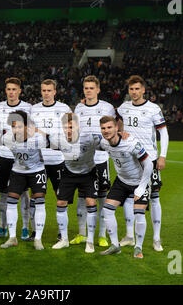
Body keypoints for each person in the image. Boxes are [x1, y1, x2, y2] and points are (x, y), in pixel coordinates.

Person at [116, 75, 169, 251]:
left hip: (150, 159)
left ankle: (156, 238)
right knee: (130, 197)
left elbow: (164, 133)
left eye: (137, 89)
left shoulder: (154, 109)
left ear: (143, 90)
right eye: (131, 89)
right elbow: (115, 121)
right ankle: (130, 236)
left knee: (154, 198)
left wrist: (162, 156)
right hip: (130, 160)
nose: (134, 92)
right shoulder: (123, 107)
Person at [98, 116, 153, 258]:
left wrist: (141, 188)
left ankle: (138, 248)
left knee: (139, 213)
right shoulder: (104, 142)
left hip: (140, 181)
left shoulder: (131, 143)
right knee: (107, 211)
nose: (106, 131)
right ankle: (115, 245)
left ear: (117, 128)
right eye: (103, 128)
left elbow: (149, 164)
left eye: (109, 127)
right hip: (122, 181)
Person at [49, 113, 102, 254]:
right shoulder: (57, 138)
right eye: (66, 127)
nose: (68, 129)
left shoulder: (90, 137)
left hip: (88, 173)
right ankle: (64, 240)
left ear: (78, 126)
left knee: (91, 202)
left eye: (71, 126)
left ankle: (90, 242)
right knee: (60, 203)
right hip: (69, 172)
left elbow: (108, 141)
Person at [73, 75, 116, 247]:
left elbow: (113, 130)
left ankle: (102, 235)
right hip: (83, 161)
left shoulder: (107, 107)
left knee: (102, 198)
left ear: (98, 89)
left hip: (100, 159)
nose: (88, 90)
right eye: (86, 88)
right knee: (82, 197)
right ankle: (82, 233)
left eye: (91, 88)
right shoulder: (78, 108)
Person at [0, 110, 48, 250]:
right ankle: (12, 237)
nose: (17, 130)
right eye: (14, 126)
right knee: (11, 201)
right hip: (18, 171)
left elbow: (53, 141)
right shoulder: (7, 138)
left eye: (20, 126)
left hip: (36, 171)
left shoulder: (38, 139)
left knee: (39, 201)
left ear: (27, 127)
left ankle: (38, 238)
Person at [29, 79, 71, 242]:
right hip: (38, 161)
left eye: (49, 90)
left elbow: (70, 131)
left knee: (61, 197)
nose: (46, 93)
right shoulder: (34, 109)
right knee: (36, 196)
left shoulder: (64, 109)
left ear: (55, 92)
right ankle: (34, 231)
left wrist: (51, 138)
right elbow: (30, 131)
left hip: (57, 160)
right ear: (41, 92)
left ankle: (62, 232)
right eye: (43, 90)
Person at [0, 77, 32, 240]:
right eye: (8, 89)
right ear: (6, 91)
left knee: (24, 193)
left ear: (19, 91)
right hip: (4, 156)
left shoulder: (28, 108)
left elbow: (31, 131)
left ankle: (25, 227)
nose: (11, 92)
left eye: (14, 89)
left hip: (22, 157)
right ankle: (2, 226)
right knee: (3, 193)